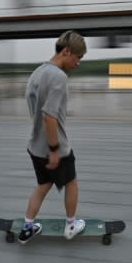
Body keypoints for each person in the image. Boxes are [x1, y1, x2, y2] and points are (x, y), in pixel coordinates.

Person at [18, 30, 87, 244]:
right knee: (72, 182)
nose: (78, 63)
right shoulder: (59, 77)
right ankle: (70, 225)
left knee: (44, 184)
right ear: (66, 52)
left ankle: (27, 227)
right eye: (78, 57)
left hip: (34, 145)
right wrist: (55, 149)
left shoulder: (37, 72)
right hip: (54, 145)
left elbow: (35, 110)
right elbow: (49, 116)